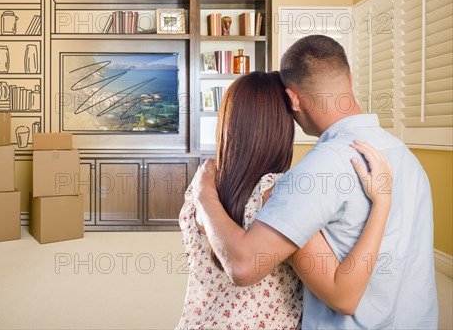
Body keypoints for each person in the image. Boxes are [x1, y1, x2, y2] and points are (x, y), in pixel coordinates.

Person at [190, 35, 438, 329]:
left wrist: (204, 194)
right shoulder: (405, 157)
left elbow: (243, 266)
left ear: (293, 99)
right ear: (348, 77)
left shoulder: (313, 172)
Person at [177, 71, 393, 329]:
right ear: (281, 128)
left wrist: (204, 194)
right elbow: (343, 296)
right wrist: (382, 204)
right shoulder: (276, 195)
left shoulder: (202, 184)